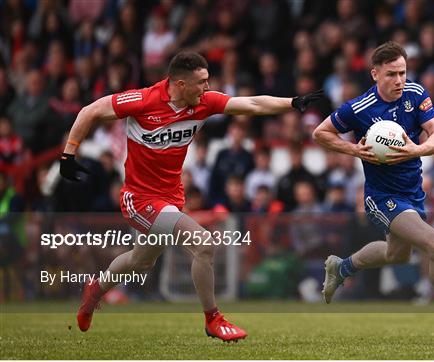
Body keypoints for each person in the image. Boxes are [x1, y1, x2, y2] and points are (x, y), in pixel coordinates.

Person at [59, 52, 322, 341]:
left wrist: (292, 103)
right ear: (180, 84)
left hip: (171, 197)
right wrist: (68, 153)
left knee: (140, 261)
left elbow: (252, 103)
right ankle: (213, 319)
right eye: (202, 82)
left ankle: (96, 288)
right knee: (203, 244)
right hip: (140, 198)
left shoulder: (203, 103)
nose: (207, 88)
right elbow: (90, 110)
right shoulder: (143, 100)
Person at [312, 41, 434, 343]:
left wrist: (415, 150)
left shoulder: (416, 94)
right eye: (391, 74)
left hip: (412, 191)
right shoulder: (359, 108)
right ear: (375, 74)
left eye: (403, 73)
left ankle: (341, 267)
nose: (399, 80)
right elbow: (320, 133)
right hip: (381, 197)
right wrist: (355, 150)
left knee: (396, 254)